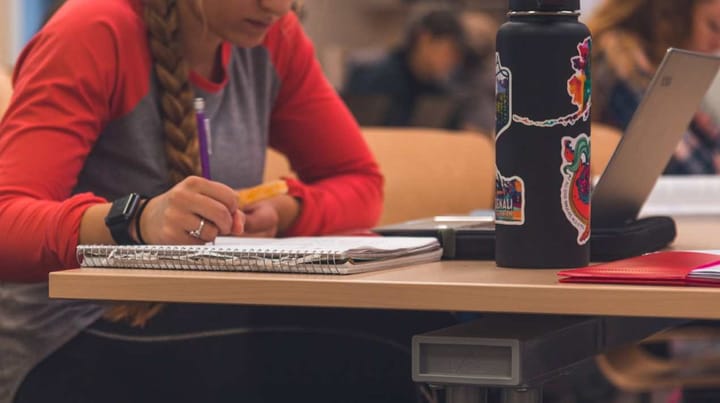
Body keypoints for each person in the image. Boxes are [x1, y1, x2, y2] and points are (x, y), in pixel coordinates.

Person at [0, 1, 458, 402]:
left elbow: (360, 182)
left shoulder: (273, 38)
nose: (278, 6)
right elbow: (5, 223)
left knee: (440, 326)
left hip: (201, 310)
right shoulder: (96, 30)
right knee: (389, 347)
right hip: (66, 338)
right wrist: (136, 221)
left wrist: (285, 213)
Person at [589, 0, 720, 174]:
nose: (717, 44)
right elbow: (690, 170)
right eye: (713, 27)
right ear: (677, 15)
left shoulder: (664, 68)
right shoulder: (620, 59)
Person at [342, 9, 467, 128]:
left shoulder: (441, 94)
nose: (454, 60)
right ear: (425, 39)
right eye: (450, 51)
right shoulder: (373, 77)